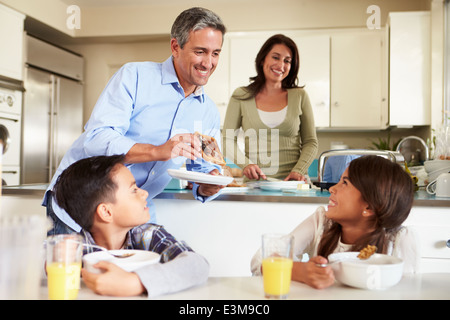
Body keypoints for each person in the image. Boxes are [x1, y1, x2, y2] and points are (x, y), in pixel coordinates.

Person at [43, 7, 227, 235]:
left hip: (134, 210)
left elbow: (205, 168)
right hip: (82, 201)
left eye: (215, 53)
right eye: (200, 51)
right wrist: (158, 151)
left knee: (149, 266)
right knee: (75, 271)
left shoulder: (208, 111)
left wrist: (210, 184)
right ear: (175, 47)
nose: (208, 63)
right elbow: (97, 138)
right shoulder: (134, 77)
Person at [251, 155, 420, 289]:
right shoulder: (321, 222)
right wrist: (298, 271)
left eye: (344, 183)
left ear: (368, 207)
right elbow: (260, 260)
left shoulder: (399, 240)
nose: (332, 188)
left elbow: (408, 292)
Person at [53, 155, 209, 297]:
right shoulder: (75, 247)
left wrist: (136, 282)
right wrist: (56, 259)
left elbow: (197, 265)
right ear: (106, 212)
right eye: (134, 190)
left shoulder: (149, 236)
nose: (145, 193)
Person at [222, 34, 318, 181]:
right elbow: (228, 140)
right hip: (255, 186)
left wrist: (299, 170)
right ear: (262, 59)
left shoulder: (300, 96)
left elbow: (310, 142)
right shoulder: (241, 95)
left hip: (293, 185)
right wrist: (246, 165)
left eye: (287, 61)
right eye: (275, 57)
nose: (281, 65)